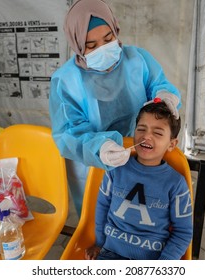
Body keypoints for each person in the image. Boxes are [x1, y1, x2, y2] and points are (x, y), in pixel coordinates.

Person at [49, 0, 181, 216]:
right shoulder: (66, 81)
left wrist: (165, 96)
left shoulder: (136, 59)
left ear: (115, 30)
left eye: (109, 39)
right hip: (95, 163)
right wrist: (98, 149)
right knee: (100, 216)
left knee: (141, 215)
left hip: (141, 150)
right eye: (91, 46)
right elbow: (67, 134)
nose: (103, 49)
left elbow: (159, 85)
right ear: (77, 45)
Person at [85, 99, 193, 260]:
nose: (146, 136)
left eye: (157, 133)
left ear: (172, 144)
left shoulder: (176, 184)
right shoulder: (116, 168)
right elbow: (102, 206)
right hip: (109, 253)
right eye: (141, 129)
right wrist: (100, 243)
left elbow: (183, 232)